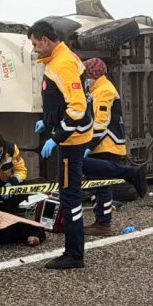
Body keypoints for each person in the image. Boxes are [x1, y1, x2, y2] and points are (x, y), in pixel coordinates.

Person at [28, 20, 93, 270]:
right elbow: (62, 101)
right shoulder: (60, 59)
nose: (34, 49)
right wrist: (48, 121)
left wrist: (57, 137)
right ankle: (73, 251)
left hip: (72, 141)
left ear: (46, 40)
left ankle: (74, 254)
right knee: (70, 193)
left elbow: (77, 107)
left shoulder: (63, 63)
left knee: (70, 198)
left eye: (35, 44)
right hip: (72, 137)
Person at [79, 58, 148, 236]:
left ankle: (102, 223)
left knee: (101, 186)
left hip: (106, 144)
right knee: (99, 184)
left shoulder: (104, 91)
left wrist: (88, 145)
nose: (85, 80)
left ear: (94, 75)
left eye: (87, 76)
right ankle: (101, 221)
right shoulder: (98, 90)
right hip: (104, 144)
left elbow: (101, 123)